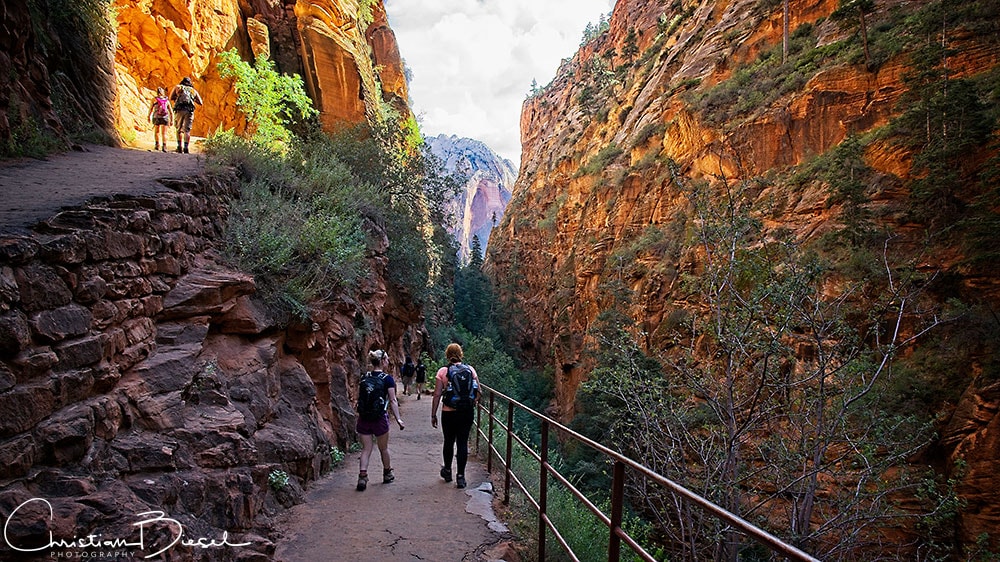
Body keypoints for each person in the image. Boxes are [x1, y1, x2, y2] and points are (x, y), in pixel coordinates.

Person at [431, 343, 480, 489]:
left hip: (448, 412)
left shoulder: (443, 371)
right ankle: (461, 477)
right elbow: (479, 391)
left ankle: (447, 471)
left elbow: (437, 394)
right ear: (461, 354)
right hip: (466, 412)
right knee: (462, 443)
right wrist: (471, 403)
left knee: (448, 441)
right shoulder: (470, 370)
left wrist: (433, 414)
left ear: (447, 355)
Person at [356, 349, 404, 491]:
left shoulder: (365, 377)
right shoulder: (387, 379)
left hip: (364, 418)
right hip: (379, 419)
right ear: (382, 361)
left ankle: (362, 477)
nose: (388, 361)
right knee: (383, 448)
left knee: (366, 449)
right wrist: (399, 419)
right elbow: (393, 400)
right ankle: (387, 473)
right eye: (387, 359)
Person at [169, 77, 203, 154]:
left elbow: (170, 97)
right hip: (189, 111)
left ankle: (179, 147)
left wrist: (177, 97)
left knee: (178, 129)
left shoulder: (178, 87)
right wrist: (193, 99)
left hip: (180, 110)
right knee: (187, 131)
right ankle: (186, 147)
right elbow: (201, 102)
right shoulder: (193, 90)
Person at [147, 87, 172, 152]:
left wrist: (148, 116)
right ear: (163, 92)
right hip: (165, 117)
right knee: (164, 133)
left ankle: (157, 145)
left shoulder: (154, 99)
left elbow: (150, 109)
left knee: (157, 132)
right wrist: (171, 120)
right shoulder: (166, 100)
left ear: (157, 92)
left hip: (156, 117)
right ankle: (164, 146)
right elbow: (171, 111)